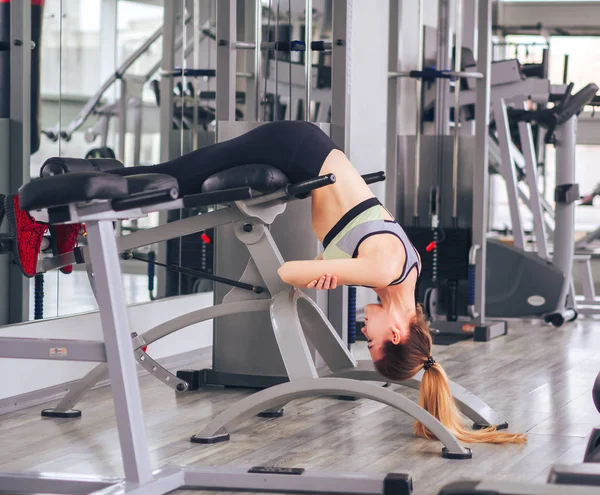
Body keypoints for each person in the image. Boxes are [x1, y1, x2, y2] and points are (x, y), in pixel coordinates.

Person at [4, 120, 525, 445]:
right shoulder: (384, 272)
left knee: (176, 175)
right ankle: (45, 201)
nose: (363, 330)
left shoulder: (401, 277)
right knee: (176, 178)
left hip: (307, 155)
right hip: (294, 149)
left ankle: (67, 212)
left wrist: (325, 273)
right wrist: (321, 274)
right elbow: (288, 273)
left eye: (361, 339)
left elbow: (304, 273)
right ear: (397, 332)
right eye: (371, 338)